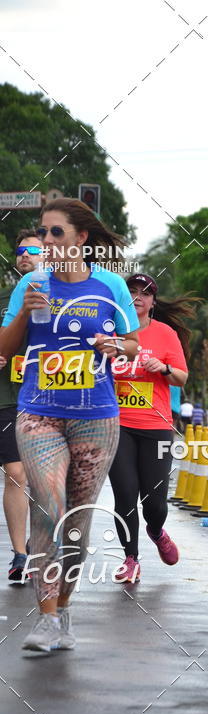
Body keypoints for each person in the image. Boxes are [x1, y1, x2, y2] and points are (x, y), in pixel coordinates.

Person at [0, 198, 139, 652]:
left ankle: (62, 609)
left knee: (75, 527)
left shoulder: (112, 286)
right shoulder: (31, 284)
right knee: (48, 505)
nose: (47, 242)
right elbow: (4, 346)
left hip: (96, 418)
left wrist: (115, 344)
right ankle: (43, 619)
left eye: (56, 232)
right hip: (39, 412)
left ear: (80, 238)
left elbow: (134, 344)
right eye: (43, 233)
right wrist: (24, 313)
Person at [109, 273, 190, 583]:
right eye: (132, 291)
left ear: (153, 302)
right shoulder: (112, 332)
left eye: (145, 293)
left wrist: (164, 368)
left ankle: (156, 531)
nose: (138, 296)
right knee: (125, 495)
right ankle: (131, 558)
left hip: (156, 426)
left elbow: (181, 377)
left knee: (154, 502)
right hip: (118, 426)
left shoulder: (165, 334)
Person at [0, 230, 44, 582]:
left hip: (47, 397)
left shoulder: (65, 296)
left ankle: (38, 545)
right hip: (7, 398)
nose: (24, 255)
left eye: (32, 250)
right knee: (16, 473)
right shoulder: (6, 297)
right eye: (20, 251)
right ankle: (19, 555)